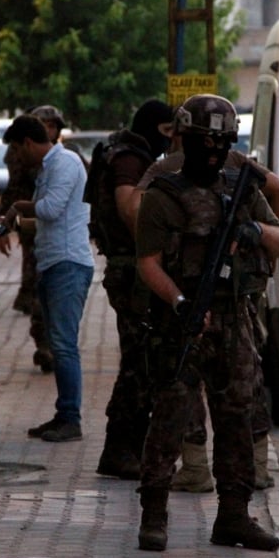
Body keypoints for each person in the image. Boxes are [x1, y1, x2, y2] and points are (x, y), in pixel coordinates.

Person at [134, 94, 279, 552]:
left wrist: (254, 232)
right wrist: (180, 301)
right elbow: (149, 263)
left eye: (222, 142)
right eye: (206, 141)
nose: (214, 150)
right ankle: (154, 514)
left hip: (234, 319)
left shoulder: (240, 188)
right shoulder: (163, 195)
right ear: (184, 139)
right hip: (182, 320)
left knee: (237, 417)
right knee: (169, 418)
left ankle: (234, 516)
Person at [88, 99, 176, 479]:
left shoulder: (129, 153)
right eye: (171, 131)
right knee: (138, 364)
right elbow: (128, 208)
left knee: (142, 360)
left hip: (132, 270)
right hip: (132, 273)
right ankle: (119, 449)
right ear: (159, 128)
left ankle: (128, 447)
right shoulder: (130, 159)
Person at [2, 115, 94, 442]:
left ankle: (71, 418)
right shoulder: (48, 168)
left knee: (65, 346)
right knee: (57, 343)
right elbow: (49, 221)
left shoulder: (64, 162)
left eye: (17, 148)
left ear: (28, 142)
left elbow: (52, 209)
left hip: (69, 265)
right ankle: (63, 414)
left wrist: (17, 207)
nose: (17, 157)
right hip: (54, 264)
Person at [0, 106, 67, 372]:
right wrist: (5, 223)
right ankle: (44, 344)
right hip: (32, 230)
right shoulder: (22, 156)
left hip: (58, 235)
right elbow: (13, 188)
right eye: (44, 124)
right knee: (38, 286)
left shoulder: (65, 159)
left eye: (53, 125)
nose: (49, 129)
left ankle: (53, 343)